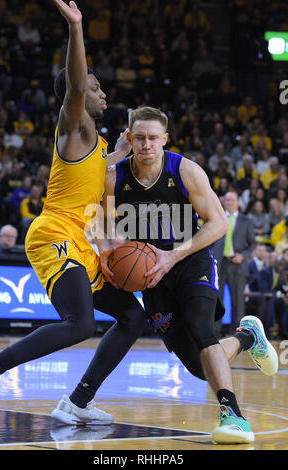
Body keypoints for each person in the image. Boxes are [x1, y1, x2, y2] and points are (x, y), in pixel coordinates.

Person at [0, 0, 148, 426]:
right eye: (96, 88)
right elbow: (75, 87)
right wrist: (76, 29)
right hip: (55, 234)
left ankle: (78, 401)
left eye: (99, 88)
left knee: (133, 315)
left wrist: (118, 154)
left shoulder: (95, 148)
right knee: (79, 324)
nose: (103, 93)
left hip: (82, 243)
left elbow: (99, 172)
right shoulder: (74, 128)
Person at [86, 106, 277, 444]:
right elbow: (100, 219)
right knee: (199, 366)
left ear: (165, 140)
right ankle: (247, 336)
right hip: (151, 273)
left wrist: (172, 255)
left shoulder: (185, 170)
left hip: (190, 258)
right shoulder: (114, 177)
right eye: (140, 138)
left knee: (201, 328)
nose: (146, 144)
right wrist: (104, 252)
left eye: (153, 138)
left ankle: (233, 416)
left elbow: (217, 223)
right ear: (129, 139)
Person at [212, 191, 256, 334]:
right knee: (217, 300)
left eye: (232, 200)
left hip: (237, 264)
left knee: (238, 301)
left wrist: (243, 255)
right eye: (227, 200)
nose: (229, 202)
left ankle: (238, 333)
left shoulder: (246, 221)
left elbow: (253, 243)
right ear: (224, 202)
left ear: (238, 203)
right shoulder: (216, 218)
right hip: (220, 263)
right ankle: (215, 331)